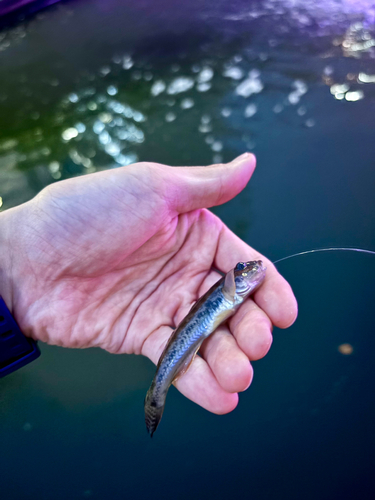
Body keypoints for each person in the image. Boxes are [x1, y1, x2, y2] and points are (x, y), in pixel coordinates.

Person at [0, 153, 297, 414]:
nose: (252, 269)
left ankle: (158, 392)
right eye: (244, 269)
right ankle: (157, 393)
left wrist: (14, 278)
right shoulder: (231, 285)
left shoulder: (232, 288)